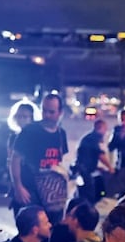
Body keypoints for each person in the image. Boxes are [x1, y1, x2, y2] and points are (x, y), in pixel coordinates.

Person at [11, 93, 69, 223]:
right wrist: (18, 187)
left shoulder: (61, 133)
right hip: (30, 192)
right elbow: (15, 160)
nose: (47, 115)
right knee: (31, 231)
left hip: (52, 196)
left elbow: (59, 161)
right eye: (44, 111)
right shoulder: (29, 131)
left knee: (51, 230)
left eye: (51, 112)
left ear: (60, 113)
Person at [74, 119, 112, 204]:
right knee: (89, 193)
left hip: (85, 168)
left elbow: (90, 155)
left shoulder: (90, 138)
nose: (105, 132)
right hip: (84, 170)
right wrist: (110, 168)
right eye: (105, 129)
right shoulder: (93, 138)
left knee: (88, 190)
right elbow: (100, 155)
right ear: (99, 128)